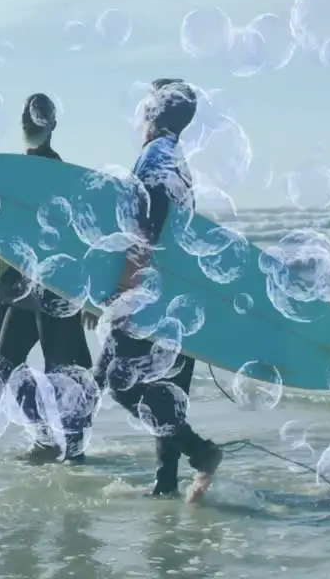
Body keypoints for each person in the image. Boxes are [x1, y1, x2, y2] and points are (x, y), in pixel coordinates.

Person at [89, 78, 223, 500]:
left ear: (154, 111)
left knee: (118, 381)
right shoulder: (176, 158)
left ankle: (199, 451)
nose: (139, 110)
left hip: (149, 294)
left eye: (146, 102)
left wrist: (121, 290)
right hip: (176, 293)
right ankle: (166, 482)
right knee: (165, 388)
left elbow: (144, 231)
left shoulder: (153, 159)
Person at [0, 92, 96, 464]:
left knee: (61, 373)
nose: (32, 125)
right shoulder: (14, 172)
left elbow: (78, 237)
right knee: (6, 367)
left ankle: (75, 451)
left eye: (39, 118)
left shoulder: (58, 174)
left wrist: (89, 297)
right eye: (28, 119)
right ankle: (45, 441)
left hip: (54, 289)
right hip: (20, 290)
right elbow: (7, 235)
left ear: (52, 126)